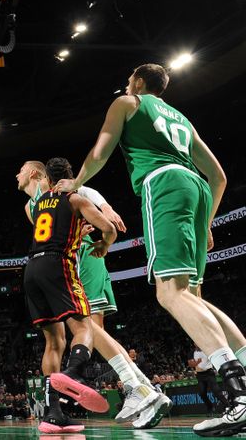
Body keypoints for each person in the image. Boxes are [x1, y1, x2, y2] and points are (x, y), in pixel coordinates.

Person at [54, 63, 246, 436]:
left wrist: (75, 182)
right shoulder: (180, 118)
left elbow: (100, 151)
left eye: (129, 80)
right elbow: (219, 176)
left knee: (169, 293)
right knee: (194, 297)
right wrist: (206, 221)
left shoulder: (128, 102)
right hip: (197, 189)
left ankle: (238, 394)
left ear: (138, 82)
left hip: (164, 184)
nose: (126, 85)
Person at [17, 160, 168, 428]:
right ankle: (58, 408)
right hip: (65, 258)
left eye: (20, 171)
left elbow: (83, 190)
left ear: (35, 174)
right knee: (62, 339)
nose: (15, 175)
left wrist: (105, 206)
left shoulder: (56, 189)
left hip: (81, 256)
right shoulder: (32, 206)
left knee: (91, 329)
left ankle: (138, 388)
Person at [22, 157, 116, 434]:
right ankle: (72, 375)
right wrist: (103, 245)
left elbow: (56, 224)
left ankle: (54, 415)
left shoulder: (36, 205)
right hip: (57, 264)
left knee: (54, 342)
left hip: (31, 269)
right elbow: (108, 228)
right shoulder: (74, 199)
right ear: (70, 176)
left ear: (48, 180)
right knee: (84, 327)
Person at [190, 346, 229, 416]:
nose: (196, 343)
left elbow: (215, 359)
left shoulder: (207, 350)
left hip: (209, 373)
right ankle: (210, 407)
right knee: (202, 393)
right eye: (195, 342)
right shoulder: (192, 352)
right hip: (199, 375)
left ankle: (228, 406)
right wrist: (196, 364)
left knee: (216, 391)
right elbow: (191, 364)